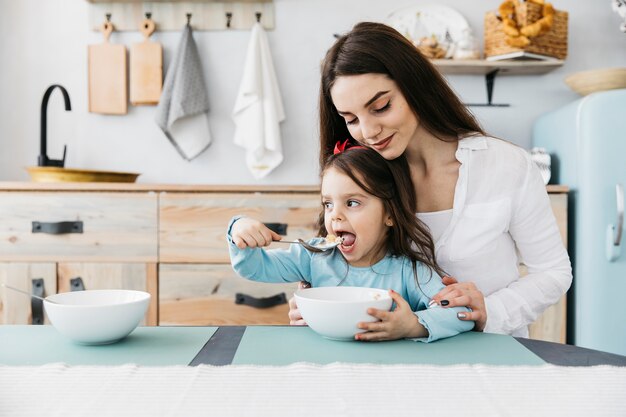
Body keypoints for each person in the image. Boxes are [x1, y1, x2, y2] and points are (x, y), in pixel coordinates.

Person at [288, 21, 572, 337]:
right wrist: (318, 301)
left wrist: (488, 311)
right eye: (351, 119)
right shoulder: (363, 177)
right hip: (389, 361)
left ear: (414, 86)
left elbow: (553, 272)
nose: (368, 132)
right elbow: (338, 261)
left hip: (489, 355)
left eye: (381, 107)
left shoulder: (505, 164)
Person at [228, 145, 474, 342]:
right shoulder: (313, 256)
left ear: (389, 213)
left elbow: (459, 314)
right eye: (328, 204)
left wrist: (413, 326)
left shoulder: (409, 271)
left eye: (352, 203)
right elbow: (253, 268)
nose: (334, 215)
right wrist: (239, 229)